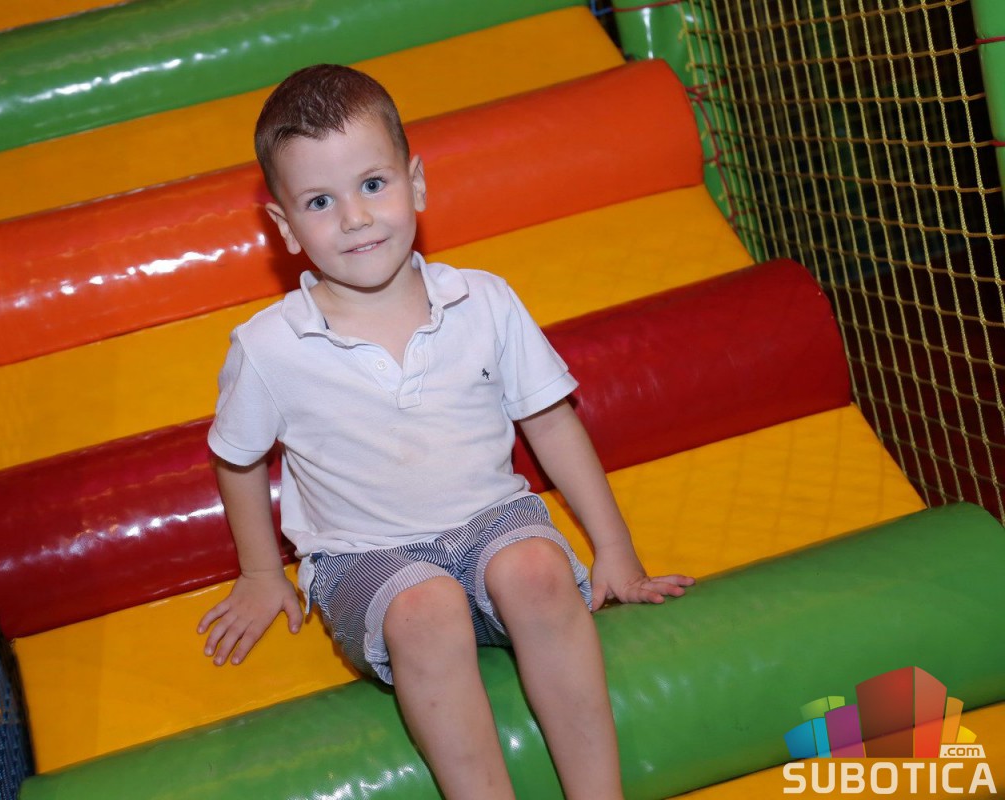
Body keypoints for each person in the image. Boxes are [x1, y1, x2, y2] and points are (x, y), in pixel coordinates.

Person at [197, 63, 693, 800]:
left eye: (373, 184)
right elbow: (236, 460)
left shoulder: (481, 301)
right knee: (426, 608)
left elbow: (551, 422)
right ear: (286, 227)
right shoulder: (271, 347)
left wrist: (614, 547)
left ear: (417, 184)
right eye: (320, 201)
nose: (355, 218)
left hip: (493, 524)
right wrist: (263, 573)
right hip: (367, 557)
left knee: (538, 572)